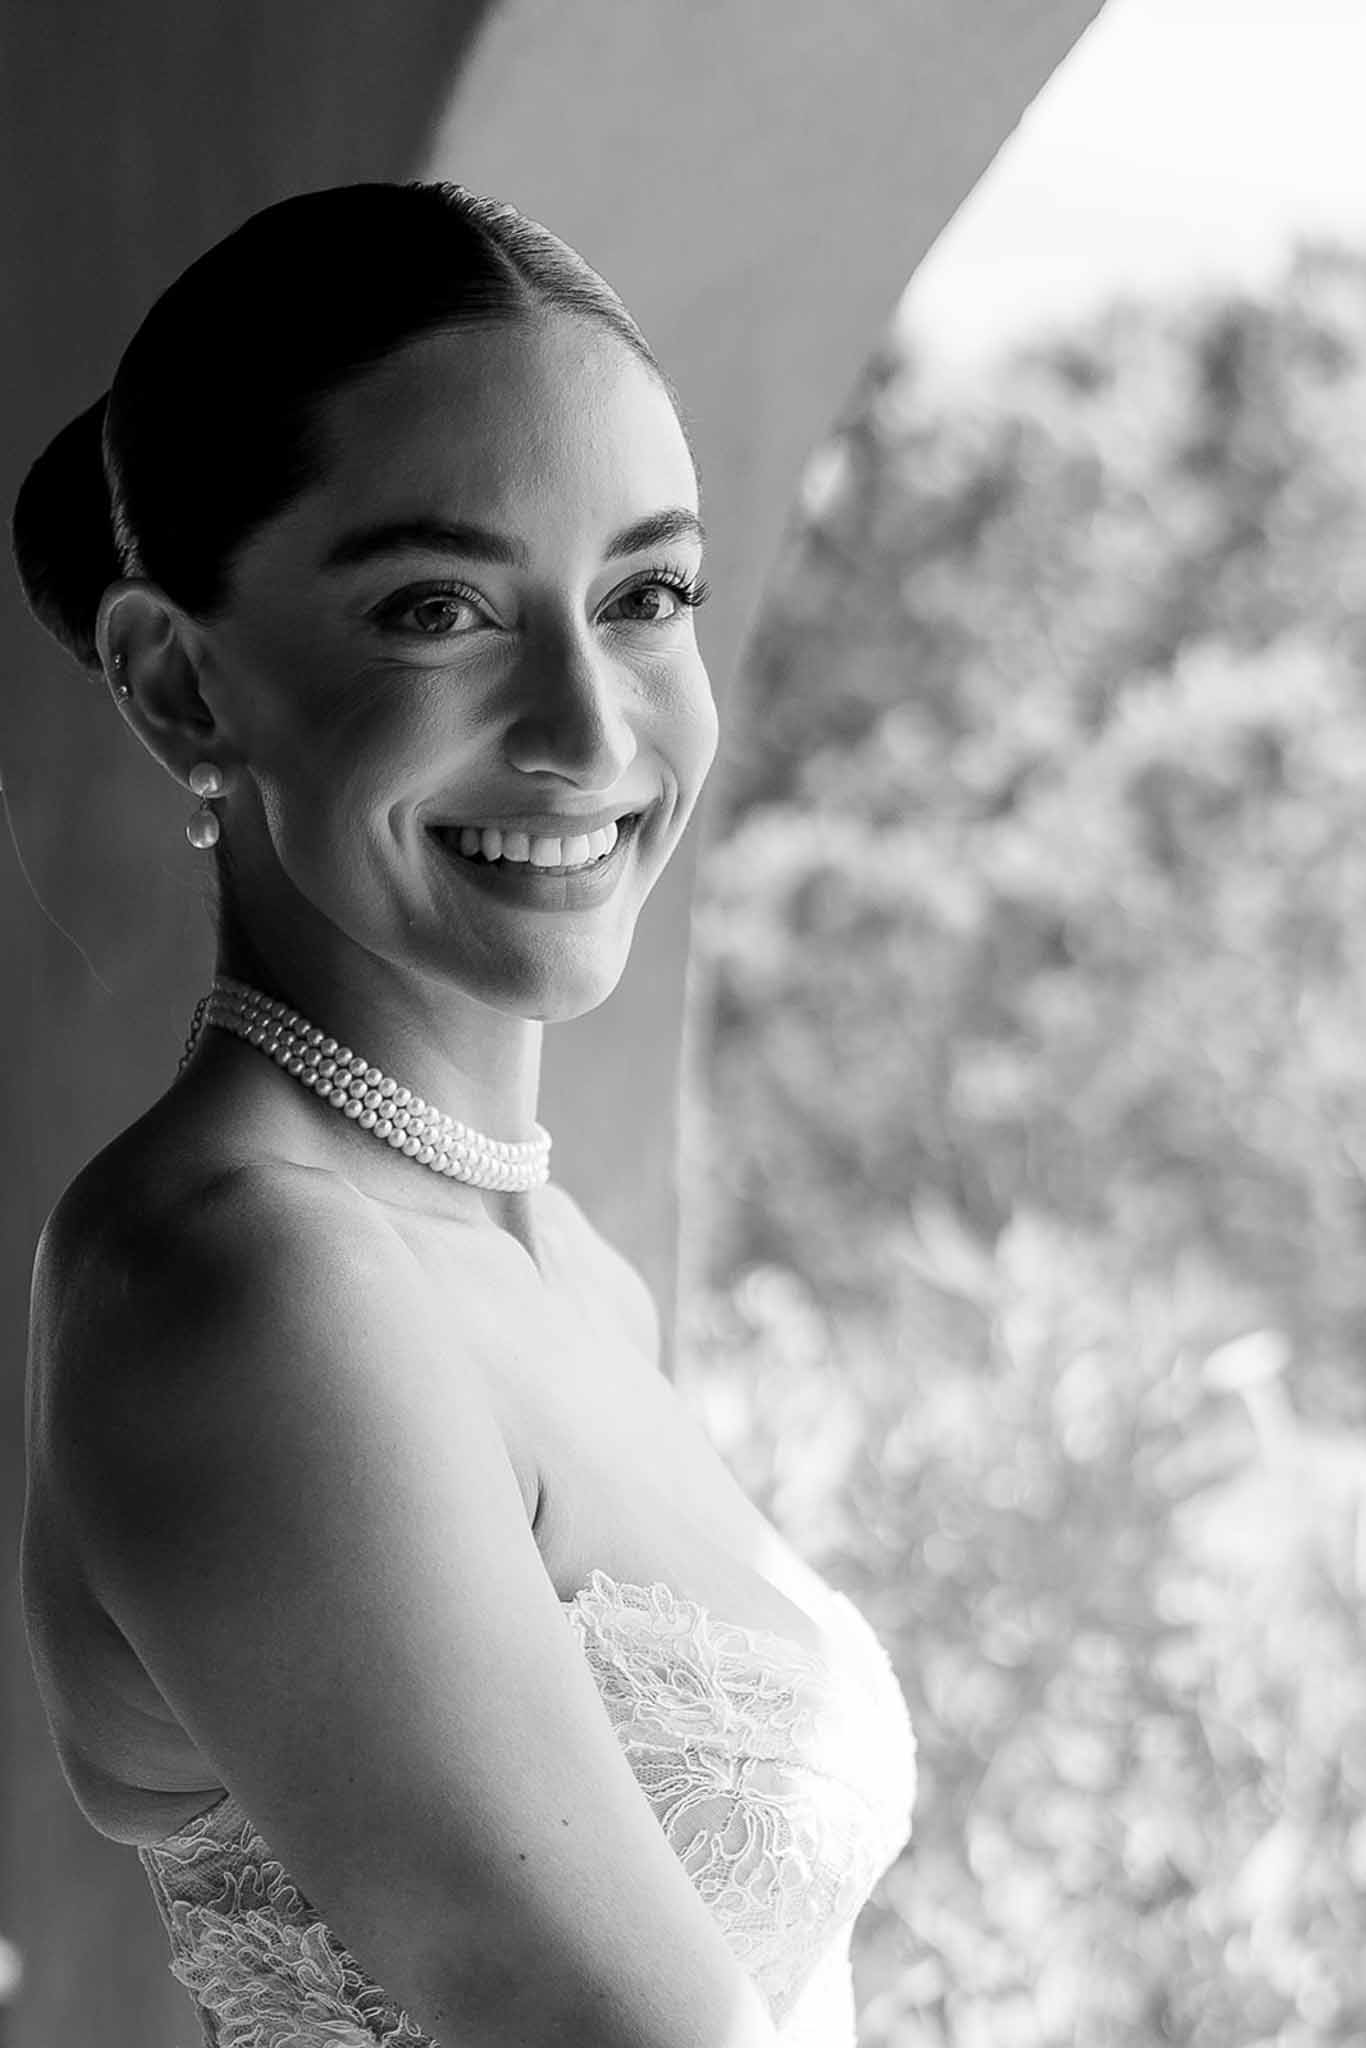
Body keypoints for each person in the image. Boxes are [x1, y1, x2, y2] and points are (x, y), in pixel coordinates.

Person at [12, 182, 916, 2047]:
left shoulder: (562, 1275)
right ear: (181, 680)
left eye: (644, 595)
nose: (589, 731)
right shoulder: (241, 1284)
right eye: (439, 608)